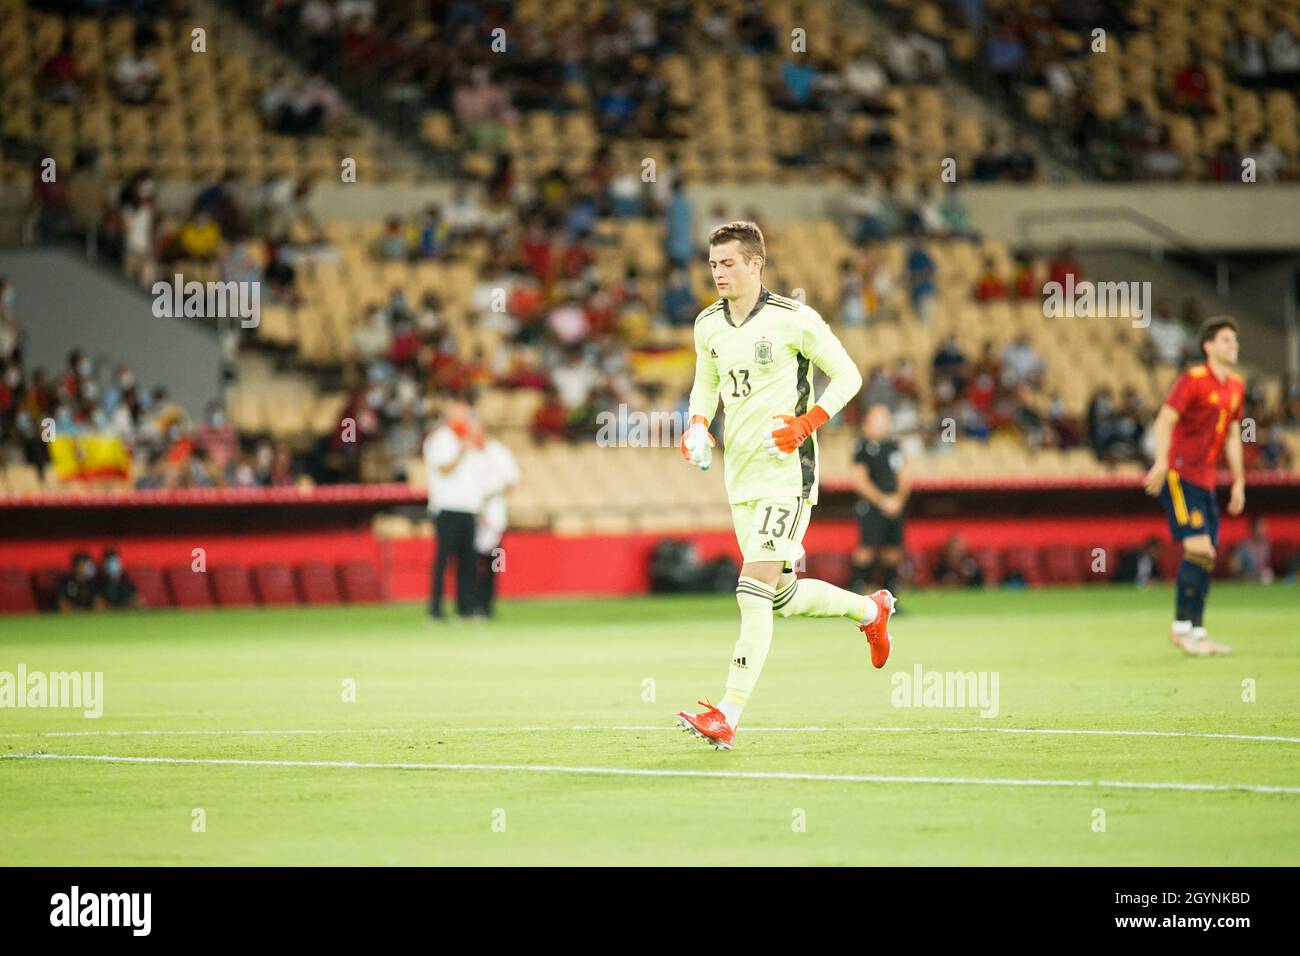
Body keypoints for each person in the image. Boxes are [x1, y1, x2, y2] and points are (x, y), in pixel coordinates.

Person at [675, 220, 887, 752]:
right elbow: (707, 384)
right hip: (740, 476)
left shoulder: (795, 319)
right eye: (713, 263)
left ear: (755, 264)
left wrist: (805, 425)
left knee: (751, 591)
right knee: (781, 598)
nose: (718, 272)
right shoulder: (708, 326)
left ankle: (728, 712)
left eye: (728, 263)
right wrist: (697, 425)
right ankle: (870, 611)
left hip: (787, 476)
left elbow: (848, 376)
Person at [1143, 317, 1245, 656]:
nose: (1234, 345)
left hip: (1207, 480)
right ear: (1209, 346)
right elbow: (1164, 420)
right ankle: (1180, 628)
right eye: (1227, 340)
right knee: (1200, 549)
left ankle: (1198, 632)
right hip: (1179, 475)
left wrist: (1239, 481)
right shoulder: (1192, 380)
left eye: (1235, 340)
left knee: (1208, 555)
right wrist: (1160, 461)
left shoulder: (1235, 387)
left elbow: (1232, 435)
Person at [423, 396, 484, 621]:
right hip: (447, 507)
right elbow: (445, 469)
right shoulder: (439, 439)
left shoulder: (466, 439)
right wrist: (462, 449)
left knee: (468, 561)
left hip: (468, 507)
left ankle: (466, 608)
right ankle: (435, 609)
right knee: (443, 559)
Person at [850, 403, 910, 598]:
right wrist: (882, 500)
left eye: (885, 419)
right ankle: (856, 595)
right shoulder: (862, 447)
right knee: (866, 549)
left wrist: (898, 500)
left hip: (894, 506)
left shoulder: (893, 447)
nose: (883, 424)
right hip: (872, 506)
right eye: (878, 419)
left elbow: (904, 476)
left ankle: (891, 599)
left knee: (893, 552)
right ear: (867, 422)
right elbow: (860, 480)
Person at [473, 431, 521, 618]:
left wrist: (492, 499)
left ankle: (487, 604)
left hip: (494, 515)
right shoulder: (469, 453)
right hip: (473, 511)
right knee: (473, 563)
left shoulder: (499, 452)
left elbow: (512, 480)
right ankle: (473, 604)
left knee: (494, 563)